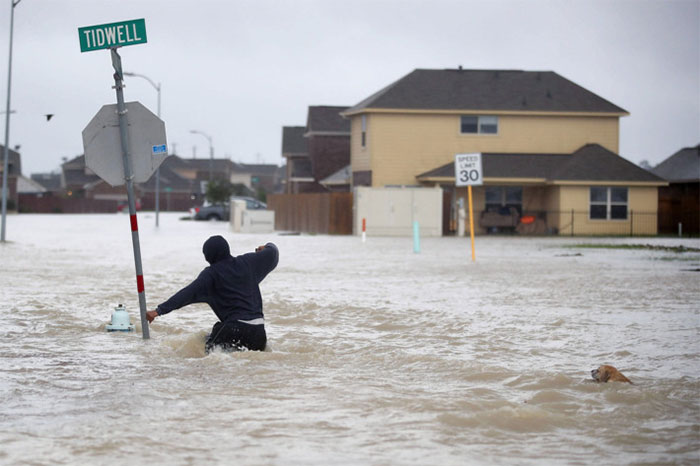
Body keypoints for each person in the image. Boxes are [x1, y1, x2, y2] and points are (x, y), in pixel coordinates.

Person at [146, 235, 279, 352]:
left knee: (208, 358)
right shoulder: (248, 262)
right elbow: (273, 253)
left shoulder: (210, 275)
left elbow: (186, 294)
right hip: (259, 334)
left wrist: (158, 311)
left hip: (234, 330)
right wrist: (267, 246)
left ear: (208, 257)